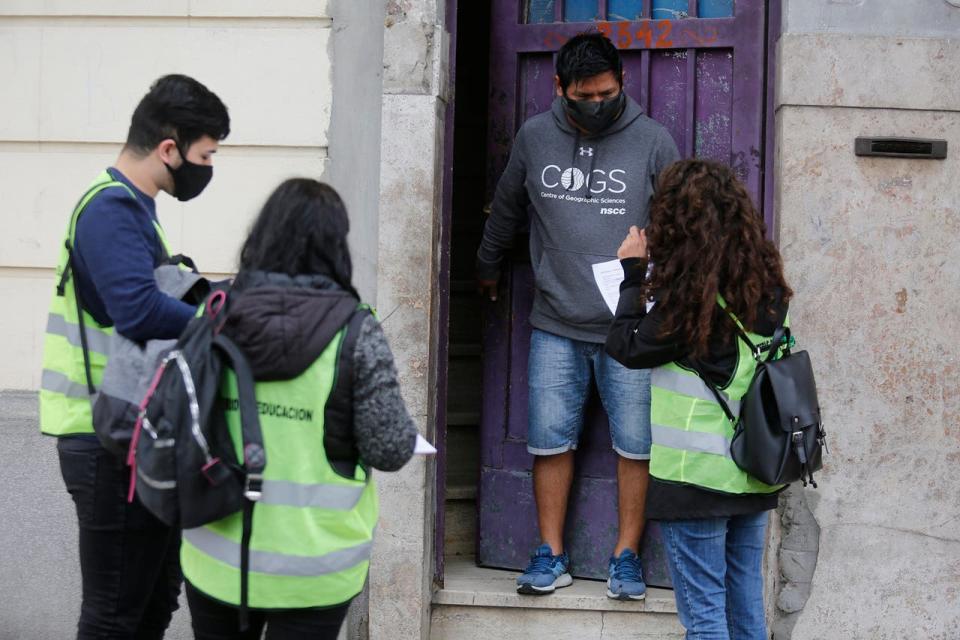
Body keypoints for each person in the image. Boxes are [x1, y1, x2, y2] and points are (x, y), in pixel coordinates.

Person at [476, 31, 680, 599]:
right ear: (558, 87)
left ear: (624, 84)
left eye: (607, 93)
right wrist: (486, 266)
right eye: (584, 96)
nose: (597, 104)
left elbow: (683, 224)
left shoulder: (654, 141)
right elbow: (507, 209)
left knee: (636, 445)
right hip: (556, 324)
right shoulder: (535, 137)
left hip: (633, 329)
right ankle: (551, 554)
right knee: (548, 442)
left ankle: (625, 557)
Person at [180, 178, 418, 640]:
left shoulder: (212, 314)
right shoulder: (355, 331)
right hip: (316, 567)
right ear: (336, 246)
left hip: (217, 557)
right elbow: (390, 450)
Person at [39, 74, 230, 639]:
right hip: (105, 435)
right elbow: (139, 311)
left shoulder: (133, 209)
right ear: (169, 148)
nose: (208, 168)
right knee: (115, 614)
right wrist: (221, 318)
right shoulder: (110, 211)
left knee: (151, 603)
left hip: (131, 432)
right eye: (205, 154)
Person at [605, 159, 792, 639]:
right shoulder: (767, 292)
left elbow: (627, 346)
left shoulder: (688, 305)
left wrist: (632, 273)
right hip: (753, 472)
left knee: (705, 617)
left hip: (694, 481)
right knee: (746, 608)